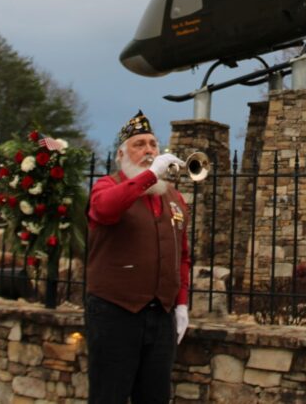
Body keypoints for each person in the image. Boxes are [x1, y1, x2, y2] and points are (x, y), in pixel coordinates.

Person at [85, 110, 191, 404]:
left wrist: (181, 304)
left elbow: (182, 256)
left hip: (162, 317)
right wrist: (150, 175)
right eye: (139, 144)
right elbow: (106, 210)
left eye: (153, 145)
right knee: (109, 396)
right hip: (115, 314)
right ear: (121, 154)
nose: (149, 151)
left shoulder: (174, 198)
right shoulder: (106, 185)